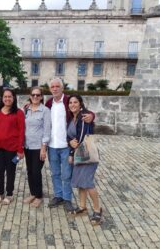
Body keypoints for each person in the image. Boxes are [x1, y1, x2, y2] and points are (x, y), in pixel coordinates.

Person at [45, 78, 94, 212]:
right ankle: (58, 195)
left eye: (57, 86)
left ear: (62, 88)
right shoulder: (49, 103)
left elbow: (84, 111)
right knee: (55, 173)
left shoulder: (68, 101)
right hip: (52, 145)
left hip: (67, 145)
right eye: (52, 87)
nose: (55, 89)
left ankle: (67, 199)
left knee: (66, 174)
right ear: (50, 89)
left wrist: (92, 116)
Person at [67, 94, 102, 225]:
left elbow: (80, 138)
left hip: (87, 155)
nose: (72, 105)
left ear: (80, 103)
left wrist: (71, 152)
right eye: (70, 102)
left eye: (75, 102)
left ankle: (97, 210)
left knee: (87, 182)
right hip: (78, 155)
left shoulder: (84, 117)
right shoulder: (72, 118)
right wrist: (70, 143)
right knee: (81, 182)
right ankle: (82, 207)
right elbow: (70, 137)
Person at [0, 89, 25, 205]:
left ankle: (9, 194)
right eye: (5, 96)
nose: (7, 99)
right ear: (2, 98)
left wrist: (20, 149)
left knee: (11, 172)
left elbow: (21, 132)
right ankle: (0, 193)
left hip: (12, 148)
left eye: (10, 96)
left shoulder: (18, 113)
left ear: (13, 98)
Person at [23, 87, 51, 208]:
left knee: (36, 171)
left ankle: (39, 196)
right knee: (29, 171)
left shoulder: (45, 110)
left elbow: (47, 130)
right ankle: (33, 193)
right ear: (30, 96)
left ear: (41, 97)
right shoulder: (26, 109)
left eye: (38, 95)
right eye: (33, 95)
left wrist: (44, 147)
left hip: (38, 147)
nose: (35, 97)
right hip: (27, 146)